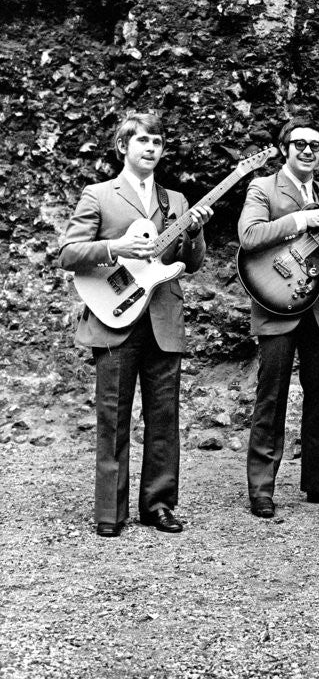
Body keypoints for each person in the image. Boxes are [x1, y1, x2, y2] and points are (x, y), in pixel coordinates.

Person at [59, 112, 212, 537]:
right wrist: (115, 247)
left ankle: (159, 505)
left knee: (164, 418)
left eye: (157, 142)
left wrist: (194, 234)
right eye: (143, 140)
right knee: (113, 418)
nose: (151, 148)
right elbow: (68, 253)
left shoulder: (175, 200)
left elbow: (192, 264)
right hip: (114, 317)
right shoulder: (98, 194)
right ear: (122, 146)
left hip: (163, 318)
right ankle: (110, 512)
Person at [238, 117, 319, 519]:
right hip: (276, 304)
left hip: (316, 305)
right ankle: (261, 489)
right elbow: (249, 235)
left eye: (315, 146)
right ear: (285, 148)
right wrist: (302, 220)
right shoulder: (263, 187)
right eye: (299, 144)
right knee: (271, 398)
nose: (307, 151)